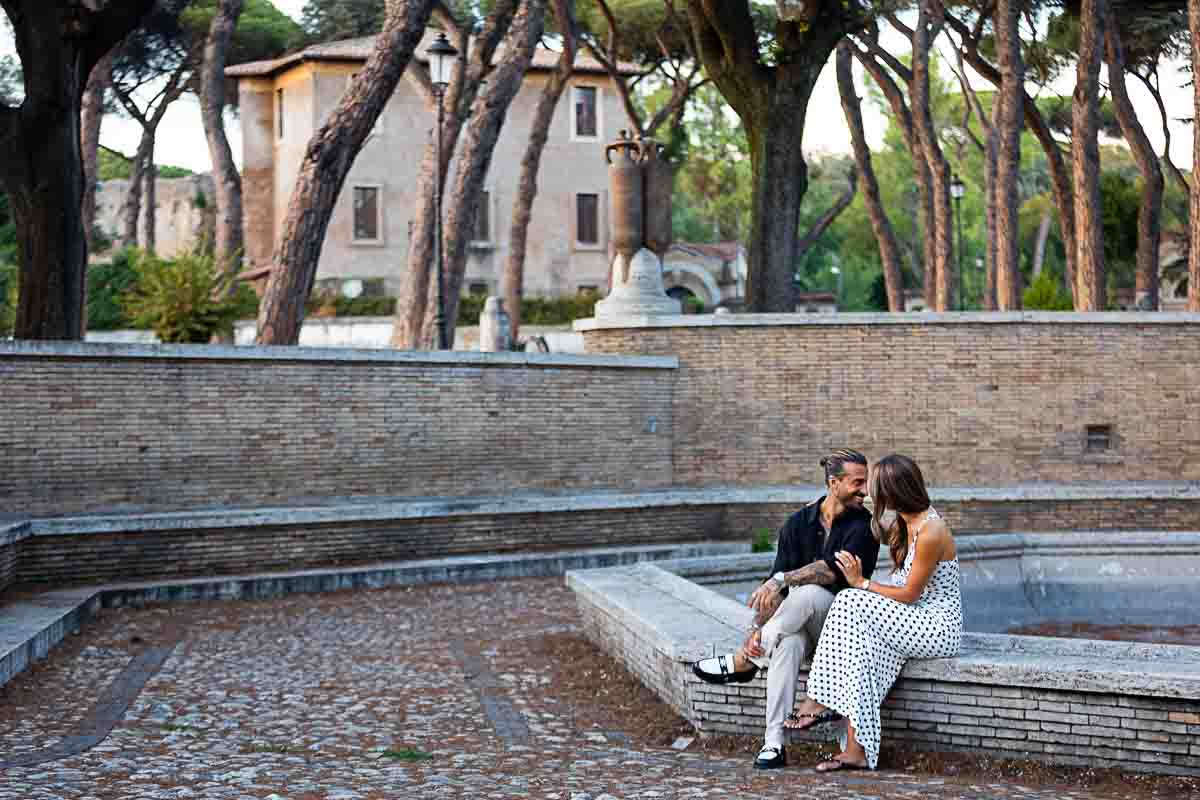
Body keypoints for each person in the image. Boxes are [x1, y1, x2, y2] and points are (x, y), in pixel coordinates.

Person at [691, 449, 879, 770]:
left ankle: (743, 661)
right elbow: (774, 592)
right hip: (801, 627)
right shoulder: (798, 524)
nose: (865, 491)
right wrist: (755, 629)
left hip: (845, 628)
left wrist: (781, 579)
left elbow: (830, 571)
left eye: (866, 482)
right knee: (787, 645)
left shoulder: (865, 526)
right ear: (834, 483)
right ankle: (773, 743)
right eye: (857, 483)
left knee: (807, 592)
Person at [791, 454, 963, 773]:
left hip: (937, 628)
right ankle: (857, 750)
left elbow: (911, 593)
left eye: (876, 489)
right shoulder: (905, 522)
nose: (870, 495)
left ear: (895, 491)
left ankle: (818, 698)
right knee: (863, 653)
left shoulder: (930, 531)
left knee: (850, 598)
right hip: (910, 618)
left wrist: (862, 582)